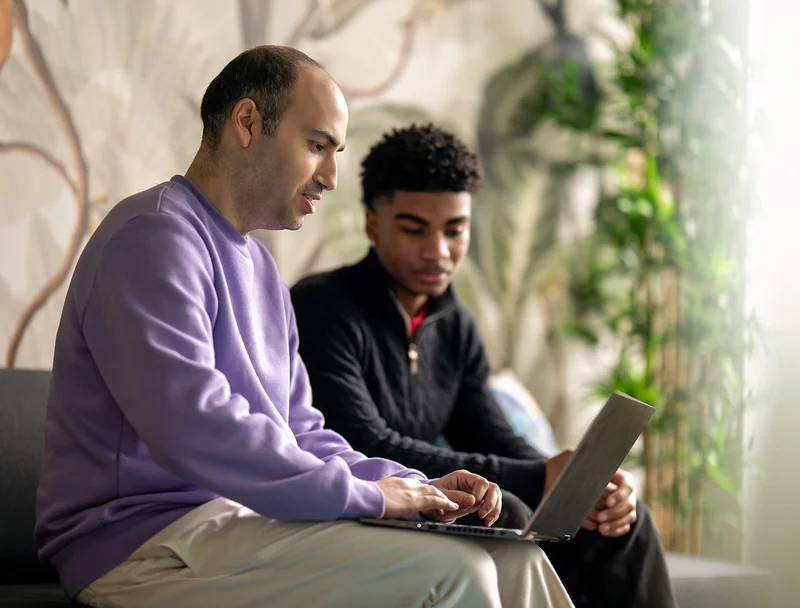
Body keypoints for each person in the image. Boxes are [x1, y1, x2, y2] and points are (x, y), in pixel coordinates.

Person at [34, 48, 574, 608]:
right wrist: (371, 497)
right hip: (143, 542)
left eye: (335, 152)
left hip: (236, 522)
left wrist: (414, 485)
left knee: (517, 558)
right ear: (247, 123)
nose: (332, 177)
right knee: (457, 573)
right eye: (317, 145)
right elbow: (194, 425)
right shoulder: (152, 237)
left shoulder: (262, 269)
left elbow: (301, 433)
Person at [291, 123, 678, 608]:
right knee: (505, 509)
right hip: (355, 511)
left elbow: (493, 436)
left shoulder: (453, 325)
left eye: (455, 230)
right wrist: (538, 478)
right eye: (414, 229)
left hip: (433, 509)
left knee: (623, 522)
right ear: (372, 223)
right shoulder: (322, 308)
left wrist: (575, 483)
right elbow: (364, 444)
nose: (438, 251)